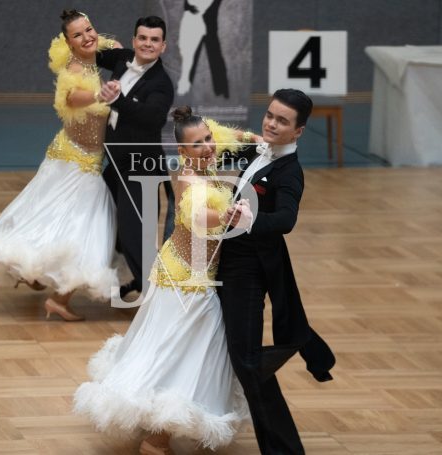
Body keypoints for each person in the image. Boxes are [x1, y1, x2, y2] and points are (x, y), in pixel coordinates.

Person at [73, 106, 257, 455]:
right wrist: (230, 213)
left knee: (180, 347)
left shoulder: (206, 152)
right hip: (187, 281)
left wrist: (255, 138)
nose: (208, 146)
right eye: (198, 144)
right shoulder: (189, 180)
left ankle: (158, 428)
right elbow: (198, 215)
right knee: (181, 351)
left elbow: (227, 135)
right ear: (183, 151)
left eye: (208, 139)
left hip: (186, 272)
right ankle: (156, 437)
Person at [0, 10, 121, 321]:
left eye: (89, 30)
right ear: (68, 42)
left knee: (53, 220)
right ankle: (59, 298)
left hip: (77, 159)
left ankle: (36, 275)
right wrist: (99, 94)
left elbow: (111, 46)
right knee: (84, 228)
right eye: (78, 35)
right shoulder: (73, 69)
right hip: (75, 164)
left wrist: (121, 51)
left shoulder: (94, 54)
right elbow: (72, 97)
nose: (87, 37)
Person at [218, 89, 336, 454]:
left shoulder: (290, 172)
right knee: (239, 355)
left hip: (248, 270)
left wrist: (251, 221)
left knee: (248, 361)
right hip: (228, 258)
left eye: (282, 121)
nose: (271, 123)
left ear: (298, 131)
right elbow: (215, 148)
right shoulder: (259, 150)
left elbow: (286, 219)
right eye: (270, 115)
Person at [96, 16, 175, 301]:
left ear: (163, 46)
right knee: (98, 212)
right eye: (143, 38)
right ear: (133, 40)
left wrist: (116, 100)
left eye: (154, 40)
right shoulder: (123, 59)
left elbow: (152, 118)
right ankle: (142, 282)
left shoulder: (162, 84)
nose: (147, 44)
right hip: (117, 164)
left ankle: (157, 296)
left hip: (140, 166)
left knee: (135, 234)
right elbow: (91, 51)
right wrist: (89, 36)